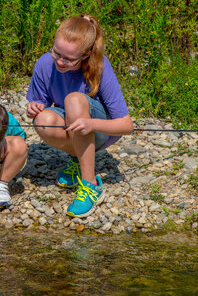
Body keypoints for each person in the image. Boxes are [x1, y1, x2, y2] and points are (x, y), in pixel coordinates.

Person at [26, 13, 133, 218]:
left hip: (101, 129)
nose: (60, 61)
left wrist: (91, 124)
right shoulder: (44, 64)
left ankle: (90, 185)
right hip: (74, 125)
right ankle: (77, 158)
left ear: (84, 56)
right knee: (43, 121)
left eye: (68, 59)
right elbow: (41, 105)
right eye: (56, 53)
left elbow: (126, 125)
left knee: (74, 100)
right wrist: (34, 108)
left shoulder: (99, 66)